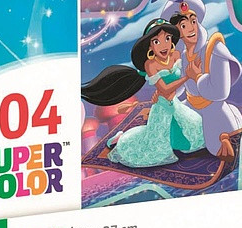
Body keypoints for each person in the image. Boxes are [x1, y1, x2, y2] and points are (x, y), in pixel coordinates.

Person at [80, 18, 206, 167]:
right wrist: (187, 77)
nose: (164, 45)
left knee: (195, 130)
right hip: (162, 106)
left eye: (167, 38)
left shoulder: (176, 56)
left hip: (174, 103)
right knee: (156, 147)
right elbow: (164, 89)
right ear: (150, 46)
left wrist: (194, 69)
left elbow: (183, 76)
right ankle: (122, 140)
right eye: (157, 41)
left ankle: (177, 142)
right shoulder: (150, 64)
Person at [158, 0, 242, 161]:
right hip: (192, 106)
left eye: (193, 21)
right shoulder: (183, 55)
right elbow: (181, 87)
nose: (191, 29)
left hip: (213, 108)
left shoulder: (215, 49)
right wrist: (169, 88)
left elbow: (220, 92)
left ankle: (232, 118)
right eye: (183, 25)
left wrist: (197, 77)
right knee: (168, 132)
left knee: (218, 149)